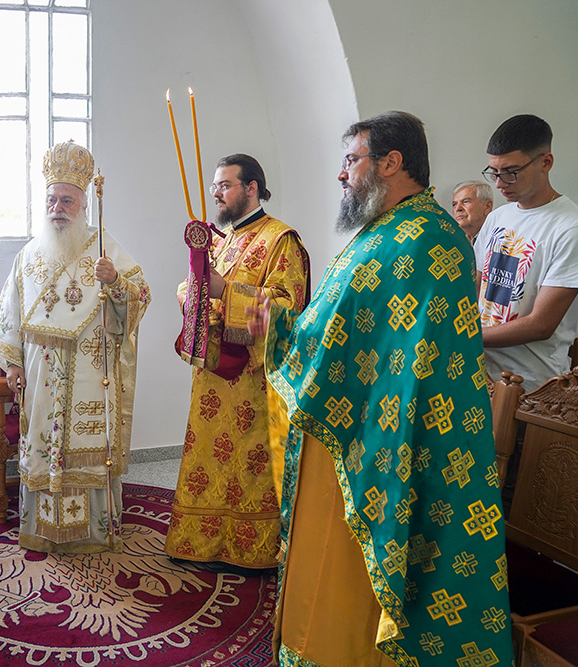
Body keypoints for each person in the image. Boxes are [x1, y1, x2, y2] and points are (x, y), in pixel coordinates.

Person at [251, 112, 511, 665]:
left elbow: (385, 348)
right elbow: (338, 323)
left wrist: (282, 329)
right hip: (348, 423)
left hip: (381, 437)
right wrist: (282, 323)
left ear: (391, 163)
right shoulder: (387, 229)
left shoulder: (425, 239)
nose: (343, 175)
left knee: (346, 573)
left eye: (352, 160)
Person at [0, 141, 151, 553]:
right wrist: (12, 366)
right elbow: (10, 312)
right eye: (51, 199)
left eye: (67, 200)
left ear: (83, 205)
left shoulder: (104, 246)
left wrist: (114, 283)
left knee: (87, 452)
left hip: (91, 371)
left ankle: (93, 532)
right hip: (40, 375)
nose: (57, 207)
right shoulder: (27, 255)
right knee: (43, 447)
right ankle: (41, 530)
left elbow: (141, 295)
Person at [164, 154, 310, 571]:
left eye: (225, 185)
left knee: (247, 464)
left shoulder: (281, 240)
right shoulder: (222, 240)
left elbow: (288, 309)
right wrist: (194, 295)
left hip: (252, 383)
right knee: (207, 458)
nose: (216, 193)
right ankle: (200, 543)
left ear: (251, 188)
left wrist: (224, 289)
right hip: (212, 380)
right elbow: (195, 292)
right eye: (214, 186)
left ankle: (249, 553)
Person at [475, 114, 578, 392]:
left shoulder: (570, 227)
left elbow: (540, 325)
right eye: (494, 172)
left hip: (533, 386)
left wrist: (465, 336)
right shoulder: (498, 218)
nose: (499, 183)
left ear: (546, 162)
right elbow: (476, 285)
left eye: (510, 171)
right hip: (477, 372)